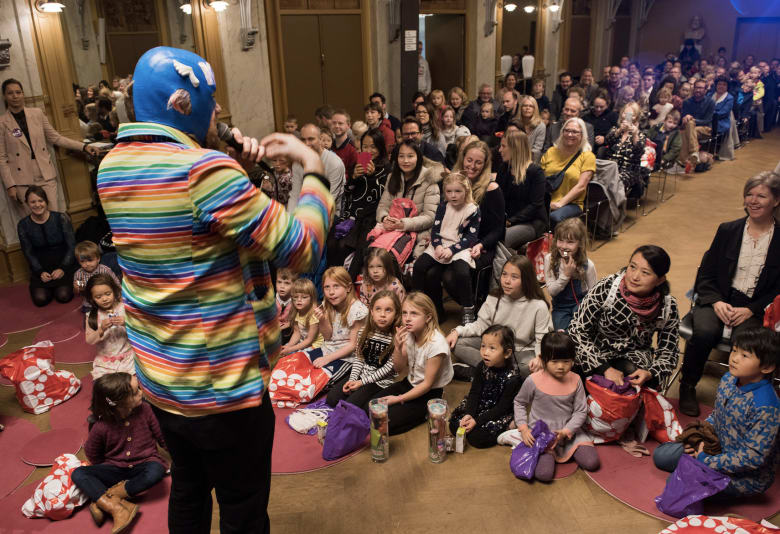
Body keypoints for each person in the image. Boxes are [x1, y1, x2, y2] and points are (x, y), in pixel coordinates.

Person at [96, 47, 334, 534]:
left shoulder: (112, 167)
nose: (221, 110)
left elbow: (192, 236)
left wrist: (227, 164)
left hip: (164, 382)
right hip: (223, 393)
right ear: (184, 103)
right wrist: (312, 167)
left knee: (188, 489)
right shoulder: (204, 172)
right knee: (243, 508)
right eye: (214, 98)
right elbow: (303, 247)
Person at [678, 172, 780, 416]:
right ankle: (687, 385)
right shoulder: (728, 230)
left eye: (761, 196)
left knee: (751, 347)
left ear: (776, 201)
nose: (753, 201)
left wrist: (752, 310)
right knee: (703, 331)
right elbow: (706, 275)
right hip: (720, 298)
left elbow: (778, 288)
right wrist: (716, 302)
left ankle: (741, 399)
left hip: (756, 306)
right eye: (749, 194)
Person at [654, 328, 780, 498]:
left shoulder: (767, 407)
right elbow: (717, 414)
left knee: (676, 485)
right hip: (714, 447)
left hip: (745, 475)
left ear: (766, 367)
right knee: (661, 456)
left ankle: (697, 472)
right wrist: (698, 440)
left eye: (745, 355)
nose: (734, 358)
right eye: (734, 350)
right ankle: (695, 467)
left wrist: (705, 459)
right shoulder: (729, 378)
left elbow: (752, 458)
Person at [568, 245, 680, 389]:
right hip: (596, 350)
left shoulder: (667, 306)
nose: (634, 276)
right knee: (574, 382)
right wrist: (605, 368)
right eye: (632, 267)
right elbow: (577, 330)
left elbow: (669, 351)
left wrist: (651, 372)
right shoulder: (607, 288)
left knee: (638, 385)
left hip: (635, 355)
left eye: (645, 273)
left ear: (660, 280)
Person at [71, 372, 166, 533]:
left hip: (144, 464)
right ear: (120, 402)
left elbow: (162, 437)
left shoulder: (146, 410)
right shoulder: (101, 426)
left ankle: (106, 499)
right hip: (114, 469)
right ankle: (116, 509)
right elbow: (93, 454)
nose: (141, 393)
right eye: (136, 392)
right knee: (78, 473)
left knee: (156, 471)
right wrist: (107, 469)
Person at [504, 332, 599, 481]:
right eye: (554, 361)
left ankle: (564, 450)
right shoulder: (533, 380)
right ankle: (516, 435)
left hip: (569, 433)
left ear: (573, 360)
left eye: (566, 361)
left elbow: (581, 410)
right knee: (544, 474)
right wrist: (523, 428)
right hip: (542, 436)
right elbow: (519, 402)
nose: (561, 367)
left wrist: (567, 431)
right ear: (543, 359)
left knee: (592, 463)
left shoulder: (576, 379)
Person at [1, 79, 99, 215]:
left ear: (23, 94)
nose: (15, 96)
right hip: (21, 179)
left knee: (54, 216)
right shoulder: (2, 122)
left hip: (44, 174)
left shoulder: (37, 113)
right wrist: (10, 185)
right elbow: (2, 157)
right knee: (32, 223)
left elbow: (56, 138)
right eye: (10, 93)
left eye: (18, 92)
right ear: (5, 96)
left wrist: (83, 147)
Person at [447, 255, 552, 378]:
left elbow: (543, 338)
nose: (507, 281)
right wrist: (457, 331)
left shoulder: (538, 305)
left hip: (521, 350)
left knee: (530, 369)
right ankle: (501, 374)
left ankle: (481, 373)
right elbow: (481, 326)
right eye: (504, 274)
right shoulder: (494, 297)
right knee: (457, 344)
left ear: (526, 280)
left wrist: (539, 357)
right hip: (494, 345)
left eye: (514, 277)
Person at [372, 292, 454, 435]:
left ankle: (425, 413)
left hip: (430, 392)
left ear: (428, 317)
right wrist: (397, 348)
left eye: (414, 314)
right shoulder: (409, 333)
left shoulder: (437, 345)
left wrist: (398, 399)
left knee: (385, 425)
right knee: (373, 406)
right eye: (404, 313)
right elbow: (398, 368)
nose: (407, 319)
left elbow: (427, 384)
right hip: (410, 382)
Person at [413, 172, 481, 324]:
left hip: (460, 246)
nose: (453, 195)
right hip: (440, 244)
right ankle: (416, 304)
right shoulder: (443, 206)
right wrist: (437, 246)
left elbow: (470, 238)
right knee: (419, 267)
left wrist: (452, 250)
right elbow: (435, 230)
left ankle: (468, 309)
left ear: (466, 191)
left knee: (462, 272)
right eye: (449, 191)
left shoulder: (472, 210)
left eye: (458, 191)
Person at [326, 128, 389, 279]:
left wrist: (373, 176)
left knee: (343, 246)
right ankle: (332, 278)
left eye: (373, 146)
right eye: (365, 146)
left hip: (370, 217)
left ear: (380, 148)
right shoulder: (358, 164)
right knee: (331, 243)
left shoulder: (387, 168)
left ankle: (346, 280)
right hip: (351, 216)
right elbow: (347, 192)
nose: (369, 150)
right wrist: (353, 177)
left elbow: (383, 196)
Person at [448, 325, 523, 448]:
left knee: (477, 439)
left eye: (492, 348)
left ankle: (510, 426)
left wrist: (477, 421)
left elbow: (502, 407)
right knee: (455, 424)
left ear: (507, 353)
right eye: (483, 346)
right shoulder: (481, 366)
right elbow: (474, 393)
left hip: (498, 411)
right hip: (481, 404)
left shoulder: (513, 378)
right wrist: (469, 415)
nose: (485, 352)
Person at [450, 140, 506, 301]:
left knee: (453, 274)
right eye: (469, 160)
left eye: (478, 162)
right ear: (462, 159)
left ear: (485, 165)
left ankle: (472, 308)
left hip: (483, 245)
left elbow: (498, 230)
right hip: (456, 241)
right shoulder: (454, 183)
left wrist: (481, 244)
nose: (472, 166)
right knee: (429, 270)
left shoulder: (492, 189)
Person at [326, 290, 401, 410]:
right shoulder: (363, 332)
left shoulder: (396, 338)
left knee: (350, 406)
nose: (382, 314)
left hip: (379, 381)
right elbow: (359, 359)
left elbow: (388, 369)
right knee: (332, 399)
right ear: (371, 311)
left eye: (388, 310)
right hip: (361, 375)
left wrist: (362, 383)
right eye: (378, 309)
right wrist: (352, 380)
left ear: (396, 313)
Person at [375, 139, 440, 259]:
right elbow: (383, 206)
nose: (405, 161)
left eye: (410, 156)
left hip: (417, 233)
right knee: (370, 251)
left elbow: (430, 217)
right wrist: (385, 218)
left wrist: (403, 224)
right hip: (391, 229)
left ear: (418, 158)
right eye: (401, 156)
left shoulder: (430, 179)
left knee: (386, 257)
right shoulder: (392, 177)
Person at [305, 266, 368, 383]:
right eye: (327, 287)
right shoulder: (329, 304)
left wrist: (327, 359)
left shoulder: (358, 310)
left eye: (336, 286)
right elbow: (328, 336)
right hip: (328, 349)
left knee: (315, 381)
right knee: (300, 363)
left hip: (348, 358)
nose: (331, 292)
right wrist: (323, 320)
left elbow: (352, 345)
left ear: (348, 287)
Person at [17, 185, 76, 307]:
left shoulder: (61, 218)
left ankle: (58, 285)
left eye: (40, 201)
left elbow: (71, 246)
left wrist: (63, 268)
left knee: (63, 296)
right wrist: (40, 272)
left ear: (46, 202)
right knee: (40, 299)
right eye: (33, 202)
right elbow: (28, 252)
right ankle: (48, 286)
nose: (37, 205)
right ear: (27, 204)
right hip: (41, 267)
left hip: (63, 264)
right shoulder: (23, 225)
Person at [541, 117, 596, 227]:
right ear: (562, 132)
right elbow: (540, 178)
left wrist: (560, 203)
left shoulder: (587, 156)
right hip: (546, 200)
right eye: (567, 130)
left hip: (571, 203)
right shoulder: (551, 151)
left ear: (582, 135)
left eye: (575, 132)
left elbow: (581, 186)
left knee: (554, 217)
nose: (570, 134)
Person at [544, 219, 597, 331]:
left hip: (581, 304)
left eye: (570, 242)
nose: (563, 246)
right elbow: (552, 291)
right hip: (560, 307)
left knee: (582, 330)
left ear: (580, 244)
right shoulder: (549, 259)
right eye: (560, 240)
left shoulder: (588, 265)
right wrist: (566, 275)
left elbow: (593, 295)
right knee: (563, 335)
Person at [497, 130, 546, 249]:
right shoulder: (504, 168)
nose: (499, 150)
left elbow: (535, 205)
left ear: (515, 148)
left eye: (503, 146)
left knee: (500, 240)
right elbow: (498, 198)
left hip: (531, 222)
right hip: (508, 220)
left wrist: (510, 221)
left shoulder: (535, 172)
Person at [84, 273, 135, 379]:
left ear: (114, 291)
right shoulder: (91, 316)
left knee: (131, 385)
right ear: (92, 298)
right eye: (98, 297)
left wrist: (126, 323)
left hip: (128, 357)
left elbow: (141, 332)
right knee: (103, 388)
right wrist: (101, 329)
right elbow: (89, 340)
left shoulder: (124, 308)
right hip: (105, 362)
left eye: (108, 294)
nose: (104, 299)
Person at [289, 123, 345, 215]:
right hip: (305, 209)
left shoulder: (334, 163)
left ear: (320, 140)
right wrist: (290, 219)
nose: (306, 144)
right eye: (303, 139)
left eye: (311, 139)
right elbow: (295, 194)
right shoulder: (297, 162)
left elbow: (330, 199)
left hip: (330, 213)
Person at [603, 101, 647, 195]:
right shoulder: (615, 130)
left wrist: (635, 135)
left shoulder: (640, 135)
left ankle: (614, 206)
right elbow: (607, 142)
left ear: (637, 118)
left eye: (632, 115)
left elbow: (639, 153)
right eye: (625, 113)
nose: (627, 116)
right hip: (610, 167)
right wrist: (619, 131)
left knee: (615, 181)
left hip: (629, 170)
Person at [73, 240, 120, 312]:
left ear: (98, 259)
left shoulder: (105, 270)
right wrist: (77, 288)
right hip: (90, 304)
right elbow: (78, 291)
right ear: (79, 262)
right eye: (82, 261)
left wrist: (120, 296)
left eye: (90, 260)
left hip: (107, 301)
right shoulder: (79, 274)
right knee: (90, 318)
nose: (87, 264)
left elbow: (116, 283)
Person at [279, 278, 323, 355]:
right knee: (281, 352)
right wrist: (289, 346)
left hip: (315, 346)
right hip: (302, 342)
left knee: (296, 358)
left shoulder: (314, 315)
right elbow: (297, 333)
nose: (299, 300)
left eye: (304, 297)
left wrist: (291, 349)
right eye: (295, 297)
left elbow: (309, 340)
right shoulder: (296, 312)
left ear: (312, 298)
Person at [679, 79, 715, 168]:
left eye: (700, 88)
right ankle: (694, 154)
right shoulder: (687, 102)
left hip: (706, 129)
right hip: (691, 129)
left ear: (705, 90)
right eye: (696, 87)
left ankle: (683, 161)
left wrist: (693, 120)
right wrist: (687, 119)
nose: (697, 90)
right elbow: (684, 120)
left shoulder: (710, 102)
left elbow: (708, 120)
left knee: (688, 128)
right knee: (686, 129)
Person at [517, 96, 547, 163]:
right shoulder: (515, 123)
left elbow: (537, 150)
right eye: (525, 105)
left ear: (535, 109)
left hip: (532, 161)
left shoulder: (541, 126)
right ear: (521, 108)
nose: (527, 108)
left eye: (531, 106)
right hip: (514, 158)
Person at [330, 109, 357, 180]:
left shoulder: (353, 150)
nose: (336, 126)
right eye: (334, 123)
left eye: (340, 123)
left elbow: (354, 175)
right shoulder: (328, 147)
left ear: (348, 126)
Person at [275, 268, 296, 342]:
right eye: (279, 282)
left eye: (286, 283)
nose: (282, 286)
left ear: (294, 285)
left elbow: (296, 320)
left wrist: (282, 327)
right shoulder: (271, 299)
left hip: (286, 330)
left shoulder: (296, 301)